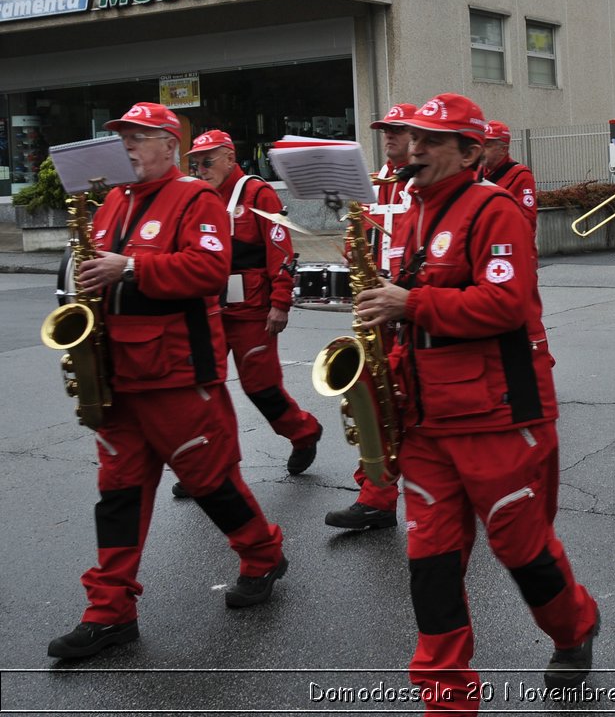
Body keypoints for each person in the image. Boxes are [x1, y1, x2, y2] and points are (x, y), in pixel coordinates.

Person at [353, 92, 600, 701]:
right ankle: (446, 697)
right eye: (413, 138)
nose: (415, 149)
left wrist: (409, 302)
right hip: (427, 420)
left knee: (521, 546)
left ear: (469, 151)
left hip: (496, 414)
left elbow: (505, 305)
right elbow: (408, 310)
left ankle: (575, 627)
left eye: (431, 140)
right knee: (430, 562)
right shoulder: (410, 212)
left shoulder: (494, 209)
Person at [48, 102, 289, 661]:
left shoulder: (197, 197)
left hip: (177, 373)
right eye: (124, 136)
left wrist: (128, 268)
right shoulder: (111, 201)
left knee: (210, 483)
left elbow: (208, 271)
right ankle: (109, 611)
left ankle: (262, 554)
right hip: (118, 376)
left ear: (169, 143)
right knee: (117, 494)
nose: (127, 146)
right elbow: (89, 271)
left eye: (138, 137)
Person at [180, 130, 321, 486]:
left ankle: (303, 433)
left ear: (230, 157)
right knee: (201, 389)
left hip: (252, 312)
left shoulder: (258, 193)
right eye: (196, 162)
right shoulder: (198, 197)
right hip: (209, 311)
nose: (201, 168)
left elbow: (281, 250)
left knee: (261, 387)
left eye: (207, 160)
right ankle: (208, 467)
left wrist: (280, 303)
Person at [326, 102, 415, 532]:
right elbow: (356, 240)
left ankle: (443, 500)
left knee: (418, 408)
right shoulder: (374, 182)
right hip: (376, 303)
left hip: (414, 306)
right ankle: (376, 495)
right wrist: (357, 257)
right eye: (385, 131)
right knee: (376, 400)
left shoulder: (426, 182)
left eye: (397, 130)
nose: (389, 137)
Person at [478, 120, 538, 241]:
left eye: (487, 145)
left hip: (508, 244)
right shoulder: (477, 173)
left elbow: (527, 220)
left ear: (503, 150)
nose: (481, 150)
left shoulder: (520, 175)